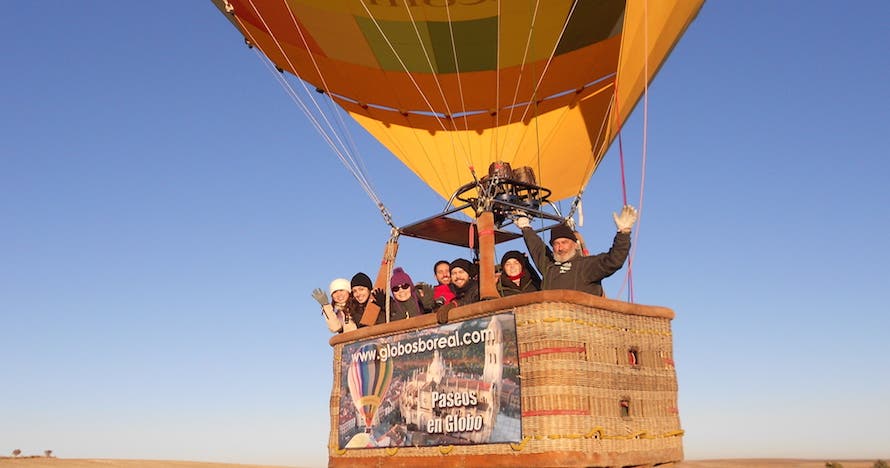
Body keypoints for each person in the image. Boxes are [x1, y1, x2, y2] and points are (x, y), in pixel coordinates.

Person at [515, 205, 638, 296]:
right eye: (556, 244)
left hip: (582, 324)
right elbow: (537, 248)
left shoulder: (586, 265)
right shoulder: (549, 267)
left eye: (564, 242)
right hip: (554, 325)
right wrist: (526, 227)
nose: (560, 248)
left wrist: (623, 233)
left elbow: (614, 260)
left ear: (574, 244)